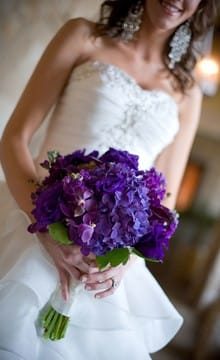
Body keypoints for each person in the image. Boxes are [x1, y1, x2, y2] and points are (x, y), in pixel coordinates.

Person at [0, 0, 218, 359]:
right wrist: (43, 227)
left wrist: (124, 263)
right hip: (34, 219)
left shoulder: (188, 93)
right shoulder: (83, 38)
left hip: (109, 263)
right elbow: (14, 138)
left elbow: (166, 199)